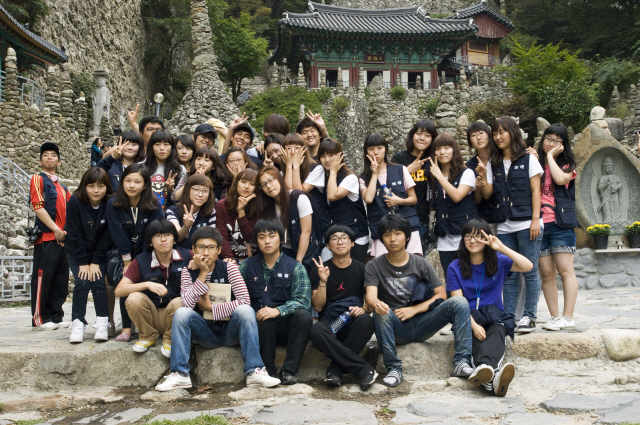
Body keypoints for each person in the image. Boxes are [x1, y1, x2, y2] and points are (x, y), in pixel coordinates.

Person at [155, 226, 280, 391]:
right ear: (193, 249)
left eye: (211, 247)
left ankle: (254, 371)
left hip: (230, 331)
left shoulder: (229, 268)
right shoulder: (188, 271)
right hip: (205, 332)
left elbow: (244, 301)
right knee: (181, 313)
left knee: (246, 311)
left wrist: (212, 308)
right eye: (201, 247)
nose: (206, 252)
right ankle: (180, 374)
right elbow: (188, 304)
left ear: (219, 250)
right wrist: (202, 274)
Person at [364, 214, 473, 387]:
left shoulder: (420, 263)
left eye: (397, 233)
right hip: (395, 326)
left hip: (424, 323)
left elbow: (441, 294)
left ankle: (462, 361)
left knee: (459, 302)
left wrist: (415, 309)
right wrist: (377, 304)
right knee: (381, 312)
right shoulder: (374, 265)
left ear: (407, 237)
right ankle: (394, 368)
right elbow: (371, 296)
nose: (392, 239)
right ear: (382, 239)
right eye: (387, 235)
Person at [447, 219, 532, 396]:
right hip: (468, 318)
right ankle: (492, 379)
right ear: (463, 239)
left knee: (498, 330)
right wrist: (473, 326)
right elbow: (458, 302)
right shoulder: (454, 267)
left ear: (487, 239)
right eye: (468, 236)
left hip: (494, 316)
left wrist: (501, 247)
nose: (472, 241)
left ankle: (486, 373)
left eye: (478, 236)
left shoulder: (499, 260)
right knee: (475, 337)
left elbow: (527, 266)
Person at [238, 219, 313, 384]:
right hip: (261, 328)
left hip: (287, 327)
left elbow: (303, 300)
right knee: (263, 318)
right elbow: (236, 297)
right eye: (262, 237)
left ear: (281, 239)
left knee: (304, 316)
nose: (267, 241)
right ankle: (268, 371)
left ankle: (289, 371)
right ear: (256, 241)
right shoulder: (247, 266)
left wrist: (278, 310)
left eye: (272, 236)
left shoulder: (295, 267)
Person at [491, 117, 544, 334]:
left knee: (530, 270)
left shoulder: (529, 159)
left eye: (502, 132)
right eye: (495, 133)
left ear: (513, 133)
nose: (498, 136)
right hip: (505, 225)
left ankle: (530, 316)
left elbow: (536, 191)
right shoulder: (494, 163)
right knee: (510, 273)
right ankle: (509, 317)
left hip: (528, 222)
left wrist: (535, 219)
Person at [309, 225, 377, 390]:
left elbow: (369, 304)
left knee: (367, 321)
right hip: (330, 326)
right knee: (316, 330)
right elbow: (318, 306)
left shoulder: (362, 269)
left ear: (352, 243)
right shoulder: (319, 269)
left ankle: (336, 370)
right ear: (328, 245)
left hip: (352, 323)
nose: (340, 242)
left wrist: (363, 309)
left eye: (344, 237)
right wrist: (323, 280)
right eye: (334, 238)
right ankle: (363, 369)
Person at [114, 219, 191, 356]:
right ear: (150, 242)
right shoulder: (141, 260)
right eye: (158, 236)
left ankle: (170, 340)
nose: (163, 239)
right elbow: (119, 291)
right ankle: (147, 336)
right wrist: (146, 284)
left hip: (175, 318)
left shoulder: (187, 256)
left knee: (181, 301)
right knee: (133, 298)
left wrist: (199, 264)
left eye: (167, 235)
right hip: (151, 316)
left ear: (174, 239)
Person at [107, 164, 164, 342]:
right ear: (122, 182)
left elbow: (153, 232)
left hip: (147, 252)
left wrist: (142, 260)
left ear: (145, 184)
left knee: (148, 283)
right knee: (126, 281)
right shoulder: (113, 203)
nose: (132, 185)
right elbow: (116, 232)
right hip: (123, 252)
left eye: (137, 182)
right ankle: (126, 327)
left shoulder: (154, 205)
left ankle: (146, 324)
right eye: (128, 181)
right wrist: (127, 261)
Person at [536, 124, 579, 331]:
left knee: (565, 270)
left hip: (561, 224)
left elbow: (561, 180)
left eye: (557, 140)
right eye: (548, 138)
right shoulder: (534, 163)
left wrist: (550, 157)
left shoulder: (567, 164)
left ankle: (568, 317)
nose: (551, 143)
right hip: (539, 224)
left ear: (563, 144)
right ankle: (554, 317)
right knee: (546, 274)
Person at [66, 168, 114, 343]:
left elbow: (108, 234)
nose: (96, 190)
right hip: (77, 250)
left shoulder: (110, 203)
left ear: (106, 187)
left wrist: (95, 261)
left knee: (99, 281)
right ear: (84, 186)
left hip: (99, 252)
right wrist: (83, 262)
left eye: (101, 186)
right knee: (82, 281)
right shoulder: (75, 202)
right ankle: (78, 323)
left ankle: (102, 322)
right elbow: (74, 233)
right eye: (91, 186)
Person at [303, 138, 369, 262]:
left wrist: (333, 171)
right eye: (323, 156)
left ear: (340, 155)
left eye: (331, 155)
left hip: (356, 237)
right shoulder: (326, 177)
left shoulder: (350, 178)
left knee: (355, 271)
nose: (327, 160)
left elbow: (333, 195)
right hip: (336, 237)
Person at [30, 142, 72, 330]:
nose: (49, 157)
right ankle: (40, 318)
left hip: (62, 238)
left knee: (60, 279)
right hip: (47, 236)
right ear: (40, 161)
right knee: (43, 277)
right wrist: (55, 229)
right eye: (45, 155)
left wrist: (65, 232)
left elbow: (70, 211)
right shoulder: (37, 179)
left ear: (59, 162)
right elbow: (38, 207)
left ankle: (56, 316)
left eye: (53, 155)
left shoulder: (63, 187)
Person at [360, 133, 422, 257]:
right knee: (384, 267)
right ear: (366, 152)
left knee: (413, 265)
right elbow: (369, 199)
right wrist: (374, 174)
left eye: (379, 148)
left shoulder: (401, 169)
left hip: (407, 228)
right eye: (371, 149)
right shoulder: (363, 178)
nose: (376, 152)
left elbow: (413, 199)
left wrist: (399, 201)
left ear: (386, 149)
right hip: (382, 231)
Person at [428, 134, 479, 274]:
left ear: (454, 150)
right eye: (438, 148)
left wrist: (439, 176)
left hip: (466, 237)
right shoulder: (432, 177)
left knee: (470, 278)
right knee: (451, 279)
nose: (442, 152)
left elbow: (457, 196)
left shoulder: (467, 173)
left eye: (447, 148)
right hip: (444, 239)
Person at [256, 167, 323, 271]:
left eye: (271, 180)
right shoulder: (267, 205)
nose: (268, 186)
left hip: (305, 250)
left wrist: (299, 259)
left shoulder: (299, 198)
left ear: (279, 178)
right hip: (283, 250)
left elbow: (306, 231)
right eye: (263, 184)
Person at [391, 120, 436, 251]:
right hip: (399, 219)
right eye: (419, 133)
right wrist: (408, 171)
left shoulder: (432, 160)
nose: (422, 138)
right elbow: (389, 185)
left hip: (421, 219)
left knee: (417, 259)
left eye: (427, 135)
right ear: (412, 135)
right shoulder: (399, 158)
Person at [216, 169, 259, 262]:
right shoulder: (222, 205)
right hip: (231, 257)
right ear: (236, 183)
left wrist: (241, 211)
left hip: (255, 258)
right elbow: (222, 236)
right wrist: (229, 259)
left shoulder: (259, 206)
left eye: (252, 184)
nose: (246, 186)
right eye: (243, 182)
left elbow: (249, 236)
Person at [166, 174, 217, 249]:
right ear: (187, 190)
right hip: (177, 252)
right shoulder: (172, 210)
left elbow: (211, 239)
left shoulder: (211, 212)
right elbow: (176, 238)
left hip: (200, 253)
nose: (200, 194)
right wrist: (186, 227)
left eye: (205, 191)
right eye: (196, 189)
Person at [145, 130, 187, 210]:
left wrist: (171, 189)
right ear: (151, 147)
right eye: (157, 144)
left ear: (172, 148)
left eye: (166, 144)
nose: (162, 148)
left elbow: (181, 201)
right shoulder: (142, 168)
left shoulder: (180, 169)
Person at [466, 121, 496, 230]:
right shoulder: (470, 166)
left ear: (489, 135)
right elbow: (477, 200)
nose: (478, 138)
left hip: (504, 216)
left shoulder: (500, 158)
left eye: (481, 133)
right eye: (474, 135)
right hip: (482, 218)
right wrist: (478, 185)